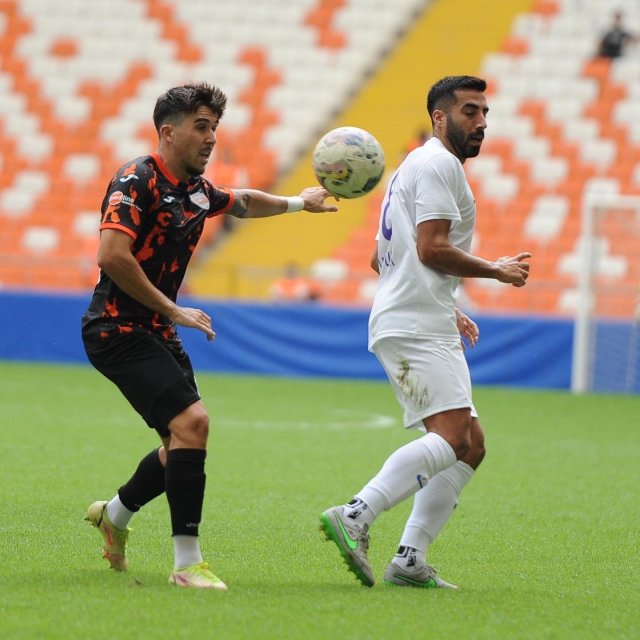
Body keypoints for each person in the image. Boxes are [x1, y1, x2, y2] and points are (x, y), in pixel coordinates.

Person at [82, 82, 337, 590]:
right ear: (168, 132)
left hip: (153, 327)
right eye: (201, 127)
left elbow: (241, 202)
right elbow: (112, 255)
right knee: (193, 424)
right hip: (116, 326)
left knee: (180, 443)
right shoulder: (137, 179)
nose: (211, 137)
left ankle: (112, 515)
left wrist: (297, 203)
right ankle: (187, 565)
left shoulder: (197, 190)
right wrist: (173, 309)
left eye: (215, 128)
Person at [319, 75, 531, 589]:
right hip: (416, 324)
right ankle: (356, 513)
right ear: (440, 117)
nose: (481, 122)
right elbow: (431, 248)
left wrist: (448, 302)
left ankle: (410, 559)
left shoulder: (415, 164)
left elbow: (380, 257)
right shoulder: (438, 164)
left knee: (471, 444)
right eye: (468, 112)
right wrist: (496, 269)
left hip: (416, 316)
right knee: (453, 438)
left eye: (484, 113)